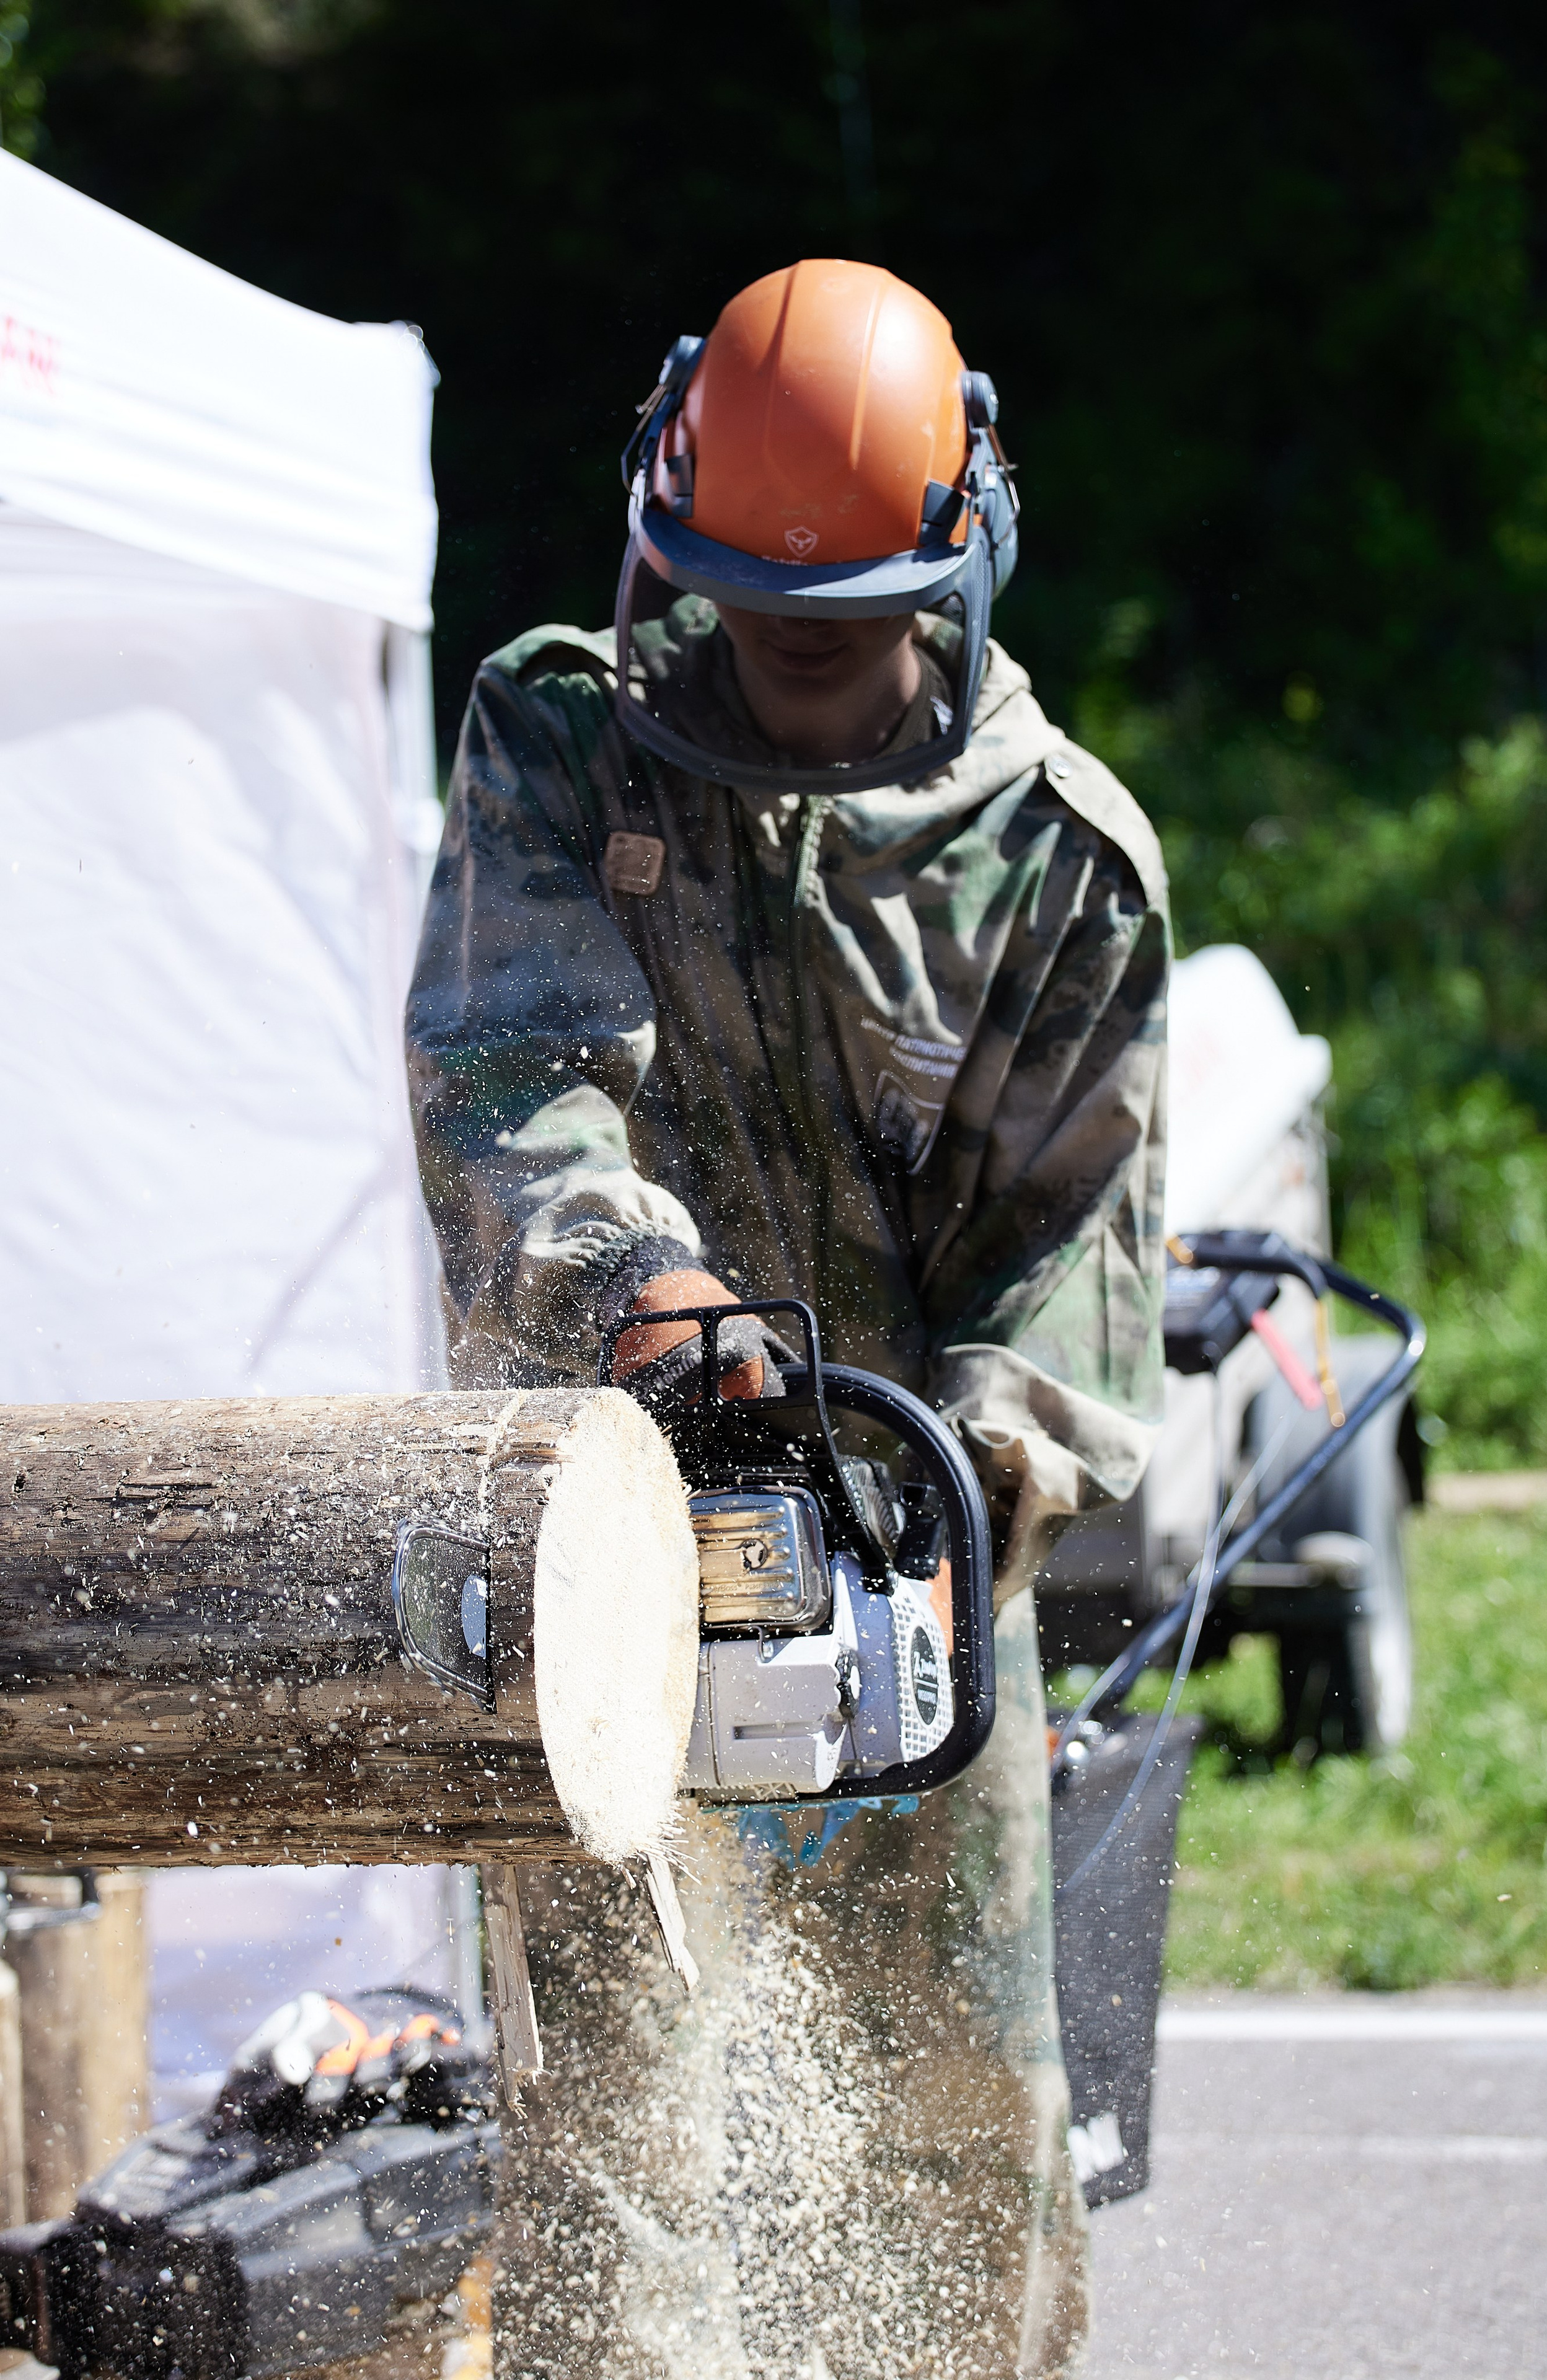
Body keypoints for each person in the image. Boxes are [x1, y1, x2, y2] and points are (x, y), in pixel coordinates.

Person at [407, 258, 1168, 2380]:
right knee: (627, 2148)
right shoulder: (567, 741)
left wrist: (950, 1486)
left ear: (960, 558)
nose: (790, 665)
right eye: (754, 614)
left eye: (836, 627)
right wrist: (633, 1284)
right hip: (610, 1543)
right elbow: (508, 1069)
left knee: (952, 2163)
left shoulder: (1057, 864)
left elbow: (1067, 1257)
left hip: (920, 1580)